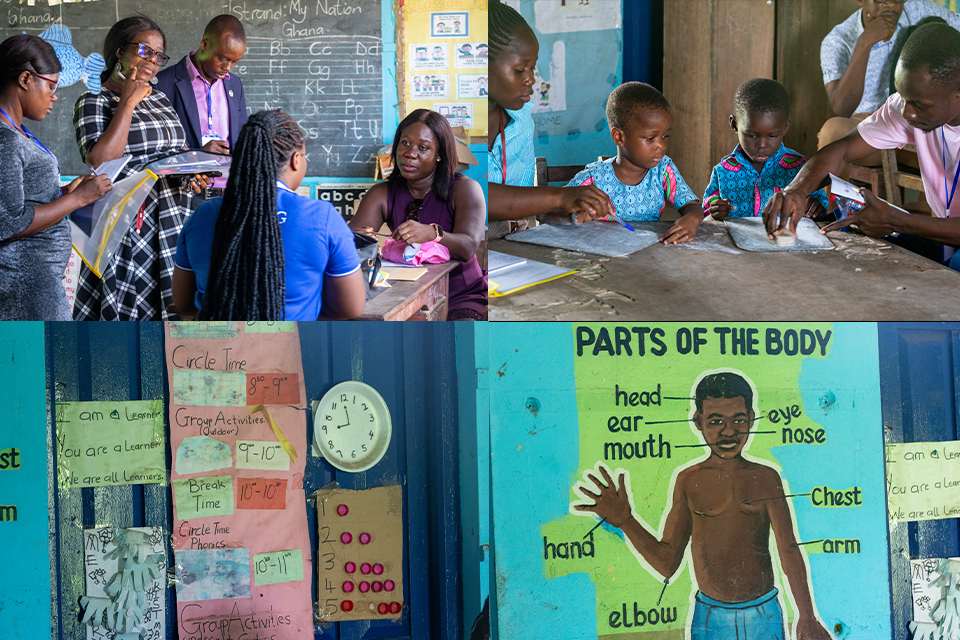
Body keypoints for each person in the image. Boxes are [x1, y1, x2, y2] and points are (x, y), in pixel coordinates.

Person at [574, 372, 832, 640]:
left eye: (738, 420)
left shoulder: (766, 479)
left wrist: (807, 615)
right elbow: (667, 563)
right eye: (716, 421)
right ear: (698, 421)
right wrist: (625, 521)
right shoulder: (689, 481)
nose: (729, 431)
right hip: (710, 618)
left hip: (763, 613)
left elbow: (788, 550)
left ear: (752, 419)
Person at [764, 23, 960, 267]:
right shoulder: (908, 106)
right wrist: (796, 190)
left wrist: (895, 220)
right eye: (904, 98)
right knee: (851, 233)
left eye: (919, 105)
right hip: (946, 237)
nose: (907, 113)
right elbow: (843, 150)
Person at [73, 15, 211, 320]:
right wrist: (127, 102)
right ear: (120, 51)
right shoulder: (93, 100)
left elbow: (174, 153)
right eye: (144, 50)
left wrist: (193, 172)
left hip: (175, 219)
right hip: (130, 226)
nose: (153, 61)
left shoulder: (160, 99)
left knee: (176, 315)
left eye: (159, 55)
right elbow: (101, 163)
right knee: (132, 319)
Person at [172, 110, 366, 321]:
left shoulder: (203, 214)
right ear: (296, 160)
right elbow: (350, 309)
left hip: (213, 351)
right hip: (293, 347)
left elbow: (183, 302)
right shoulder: (322, 217)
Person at [0, 34, 111, 320]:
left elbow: (22, 200)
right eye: (51, 85)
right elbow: (8, 223)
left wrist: (63, 194)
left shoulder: (16, 132)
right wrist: (77, 199)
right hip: (24, 286)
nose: (55, 95)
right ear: (25, 79)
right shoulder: (5, 139)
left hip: (36, 283)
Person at [487, 0, 613, 238]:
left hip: (512, 243)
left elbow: (522, 199)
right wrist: (560, 196)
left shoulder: (521, 119)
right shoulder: (449, 124)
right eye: (520, 70)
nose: (531, 80)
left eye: (532, 68)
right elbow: (468, 196)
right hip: (457, 251)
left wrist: (566, 212)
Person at [349, 109, 487, 321]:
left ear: (439, 154)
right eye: (405, 143)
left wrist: (433, 234)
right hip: (403, 293)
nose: (410, 153)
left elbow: (468, 247)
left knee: (457, 341)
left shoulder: (465, 189)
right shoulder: (382, 193)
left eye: (423, 148)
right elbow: (352, 243)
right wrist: (357, 239)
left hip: (459, 294)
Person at [818, 0, 960, 161]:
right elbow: (842, 108)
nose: (890, 5)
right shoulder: (837, 41)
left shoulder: (918, 9)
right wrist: (865, 42)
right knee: (832, 132)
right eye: (880, 0)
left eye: (898, 0)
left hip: (925, 118)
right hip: (874, 124)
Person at [566, 82, 702, 243]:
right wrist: (574, 216)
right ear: (619, 137)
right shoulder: (594, 178)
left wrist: (690, 220)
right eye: (650, 138)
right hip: (604, 256)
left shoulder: (663, 170)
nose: (661, 145)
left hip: (648, 253)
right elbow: (546, 211)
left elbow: (692, 206)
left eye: (665, 136)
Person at [704, 79, 828, 221]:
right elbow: (707, 211)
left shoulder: (800, 167)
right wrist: (715, 211)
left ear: (785, 127)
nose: (762, 145)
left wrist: (815, 207)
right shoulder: (723, 171)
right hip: (736, 242)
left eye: (772, 136)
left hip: (785, 241)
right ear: (734, 124)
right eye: (752, 135)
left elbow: (820, 208)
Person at [154, 14, 248, 199]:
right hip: (183, 195)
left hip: (229, 195)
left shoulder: (234, 85)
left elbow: (241, 140)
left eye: (234, 62)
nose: (228, 67)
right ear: (204, 44)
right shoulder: (162, 84)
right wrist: (197, 155)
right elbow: (155, 149)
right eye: (223, 58)